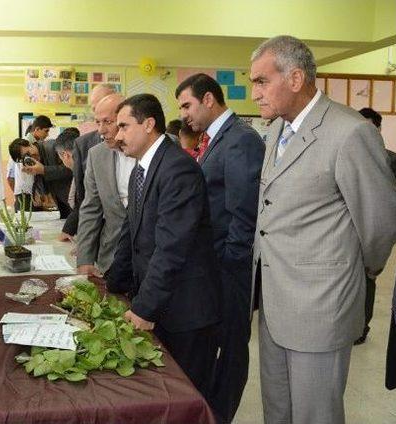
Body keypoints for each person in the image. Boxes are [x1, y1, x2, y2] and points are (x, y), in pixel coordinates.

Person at [250, 35, 396, 424]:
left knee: (316, 416)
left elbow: (380, 222)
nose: (255, 94)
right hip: (274, 303)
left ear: (296, 78)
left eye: (262, 82)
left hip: (321, 306)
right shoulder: (276, 132)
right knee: (277, 411)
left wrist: (359, 271)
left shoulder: (349, 132)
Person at [107, 93, 221, 399]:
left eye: (123, 126)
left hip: (187, 310)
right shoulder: (140, 170)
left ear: (148, 124)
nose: (117, 136)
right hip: (161, 303)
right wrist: (110, 285)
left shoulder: (177, 168)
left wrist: (144, 307)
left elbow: (172, 247)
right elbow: (130, 235)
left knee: (188, 398)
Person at [176, 73, 264, 423]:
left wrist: (229, 264)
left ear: (209, 99)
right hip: (213, 267)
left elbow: (244, 213)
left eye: (187, 105)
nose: (183, 114)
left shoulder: (240, 140)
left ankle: (221, 416)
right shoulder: (214, 139)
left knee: (229, 352)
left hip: (230, 269)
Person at [75, 93, 136, 279]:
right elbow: (90, 208)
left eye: (108, 122)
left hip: (154, 261)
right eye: (97, 122)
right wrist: (84, 259)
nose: (101, 130)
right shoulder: (96, 155)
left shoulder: (156, 149)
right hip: (111, 259)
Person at [354, 107, 396, 346]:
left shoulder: (392, 160)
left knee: (368, 278)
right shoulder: (349, 157)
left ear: (379, 129)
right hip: (349, 230)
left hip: (376, 231)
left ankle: (362, 326)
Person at [60, 84, 116, 240]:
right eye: (94, 107)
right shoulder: (83, 144)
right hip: (98, 231)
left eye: (104, 103)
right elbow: (83, 196)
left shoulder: (134, 143)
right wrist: (79, 236)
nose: (98, 110)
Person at [9, 135, 73, 219]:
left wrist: (44, 170)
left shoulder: (54, 147)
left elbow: (71, 169)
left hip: (74, 197)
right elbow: (44, 187)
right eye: (26, 158)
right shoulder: (34, 162)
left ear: (30, 144)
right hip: (62, 202)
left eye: (28, 153)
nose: (31, 157)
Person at [7, 115, 53, 211]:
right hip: (26, 195)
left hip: (36, 195)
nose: (47, 135)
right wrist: (24, 196)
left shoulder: (40, 146)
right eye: (46, 131)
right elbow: (11, 177)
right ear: (37, 129)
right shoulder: (20, 148)